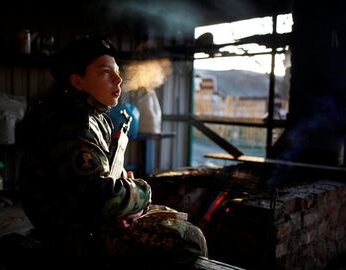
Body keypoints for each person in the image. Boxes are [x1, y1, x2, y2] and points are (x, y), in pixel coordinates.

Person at [18, 34, 207, 268]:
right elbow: (102, 198)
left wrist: (120, 187)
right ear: (78, 82)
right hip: (73, 234)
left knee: (174, 218)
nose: (118, 79)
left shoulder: (94, 115)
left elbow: (95, 182)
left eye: (117, 71)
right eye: (105, 72)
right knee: (188, 239)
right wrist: (142, 191)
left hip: (86, 219)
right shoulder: (73, 124)